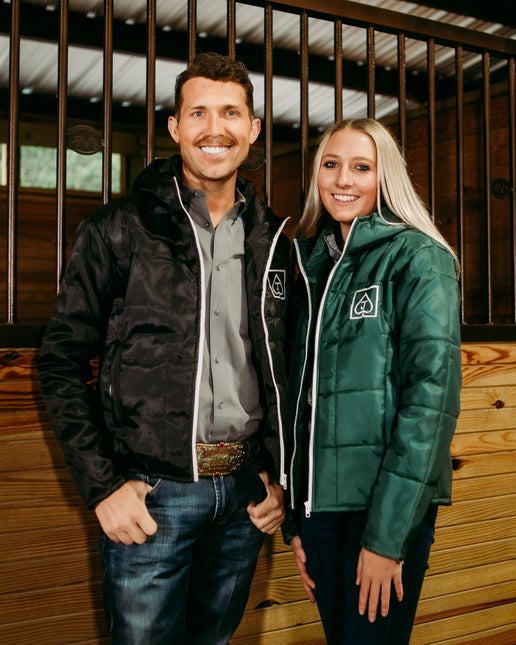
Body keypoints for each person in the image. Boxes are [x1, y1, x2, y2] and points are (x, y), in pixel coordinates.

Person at [37, 51, 291, 645]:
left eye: (230, 112)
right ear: (175, 127)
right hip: (152, 498)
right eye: (198, 112)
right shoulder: (118, 228)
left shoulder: (276, 239)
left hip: (245, 499)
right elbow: (60, 360)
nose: (214, 128)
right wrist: (102, 487)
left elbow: (290, 369)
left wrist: (279, 477)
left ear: (253, 129)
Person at [282, 118, 462, 645]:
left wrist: (387, 539)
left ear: (386, 177)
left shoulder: (420, 259)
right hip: (319, 512)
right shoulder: (311, 264)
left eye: (362, 167)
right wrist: (296, 522)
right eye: (331, 164)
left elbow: (429, 408)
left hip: (382, 514)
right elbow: (298, 400)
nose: (343, 179)